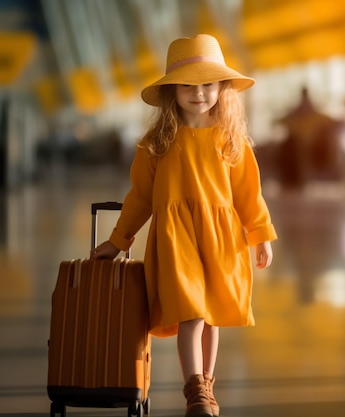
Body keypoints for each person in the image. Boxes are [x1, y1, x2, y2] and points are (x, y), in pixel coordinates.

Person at [90, 34, 278, 417]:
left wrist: (260, 235)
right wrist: (118, 240)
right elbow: (140, 197)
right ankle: (195, 391)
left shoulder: (232, 140)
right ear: (171, 90)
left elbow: (248, 194)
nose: (199, 93)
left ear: (222, 89)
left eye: (208, 84)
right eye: (189, 85)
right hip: (176, 239)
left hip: (222, 239)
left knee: (211, 315)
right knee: (191, 311)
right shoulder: (156, 142)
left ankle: (205, 387)